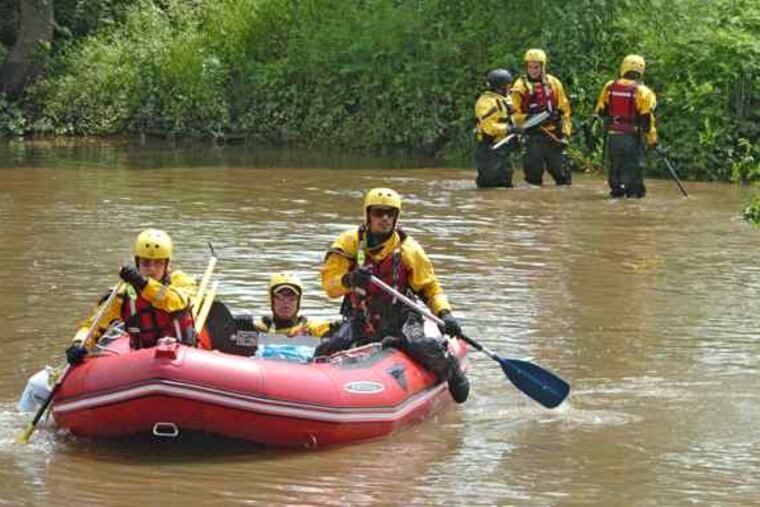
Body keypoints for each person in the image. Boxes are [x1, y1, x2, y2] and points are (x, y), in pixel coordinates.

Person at [318, 188, 470, 403]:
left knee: (421, 346)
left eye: (390, 213)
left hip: (402, 316)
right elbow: (329, 286)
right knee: (327, 349)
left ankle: (451, 367)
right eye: (379, 213)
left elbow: (430, 288)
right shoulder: (348, 243)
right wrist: (350, 279)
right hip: (361, 316)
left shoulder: (409, 249)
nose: (385, 218)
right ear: (368, 215)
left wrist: (445, 314)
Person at [65, 229, 198, 364]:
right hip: (141, 359)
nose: (152, 269)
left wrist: (143, 283)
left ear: (168, 264)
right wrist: (79, 343)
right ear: (137, 263)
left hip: (182, 355)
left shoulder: (183, 282)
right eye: (146, 263)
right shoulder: (122, 295)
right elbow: (93, 324)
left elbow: (176, 302)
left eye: (158, 263)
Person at [594, 54, 658, 198]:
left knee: (616, 170)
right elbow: (647, 121)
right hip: (631, 139)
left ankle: (617, 193)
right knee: (635, 177)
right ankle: (633, 197)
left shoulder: (609, 86)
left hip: (613, 138)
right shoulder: (644, 92)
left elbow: (600, 110)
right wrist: (652, 141)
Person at [511, 48, 573, 186]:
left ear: (543, 66)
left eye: (537, 67)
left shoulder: (554, 84)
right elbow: (514, 115)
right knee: (533, 181)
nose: (533, 70)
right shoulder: (519, 86)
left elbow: (565, 112)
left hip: (553, 136)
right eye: (530, 67)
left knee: (564, 178)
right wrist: (529, 118)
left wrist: (565, 135)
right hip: (532, 137)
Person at [235, 271, 332, 337]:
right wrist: (239, 328)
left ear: (298, 301)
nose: (286, 302)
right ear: (271, 300)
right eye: (280, 297)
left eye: (292, 297)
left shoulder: (312, 329)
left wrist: (337, 329)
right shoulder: (258, 330)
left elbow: (333, 333)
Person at [474, 68, 520, 188]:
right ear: (500, 87)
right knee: (488, 185)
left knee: (506, 182)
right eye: (508, 86)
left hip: (502, 148)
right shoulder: (486, 103)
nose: (510, 88)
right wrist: (510, 129)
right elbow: (488, 127)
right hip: (489, 149)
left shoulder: (504, 98)